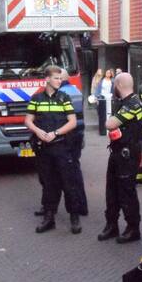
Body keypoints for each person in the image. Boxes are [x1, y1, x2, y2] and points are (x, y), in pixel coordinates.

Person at [24, 66, 81, 234]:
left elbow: (72, 122)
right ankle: (49, 218)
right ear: (47, 79)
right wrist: (38, 132)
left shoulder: (64, 98)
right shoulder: (36, 99)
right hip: (44, 148)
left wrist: (55, 133)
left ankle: (74, 218)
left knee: (68, 182)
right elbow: (28, 120)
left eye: (60, 78)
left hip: (62, 146)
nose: (59, 81)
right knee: (48, 184)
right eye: (56, 78)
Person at [98, 72, 142, 243]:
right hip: (118, 152)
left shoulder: (132, 104)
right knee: (111, 190)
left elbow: (109, 124)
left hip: (128, 154)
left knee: (127, 192)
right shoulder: (124, 102)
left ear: (117, 86)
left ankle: (133, 228)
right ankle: (112, 225)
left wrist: (112, 121)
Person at [59, 69, 89, 221]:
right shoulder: (76, 90)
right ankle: (82, 205)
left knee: (68, 172)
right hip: (78, 133)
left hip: (67, 136)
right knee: (75, 167)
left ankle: (75, 206)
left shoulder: (61, 94)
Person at [94, 69, 114, 136]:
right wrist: (97, 98)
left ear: (111, 74)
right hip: (102, 99)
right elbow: (98, 90)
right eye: (107, 72)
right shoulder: (101, 81)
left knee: (109, 114)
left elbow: (113, 91)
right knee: (101, 114)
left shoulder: (112, 81)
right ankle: (102, 129)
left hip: (109, 99)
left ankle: (109, 129)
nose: (108, 74)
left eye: (109, 73)